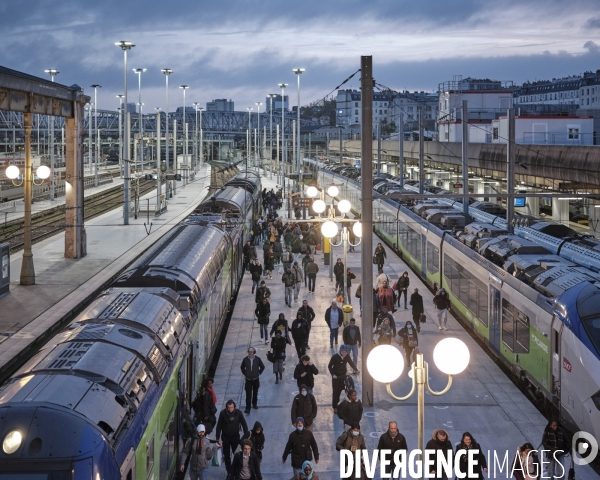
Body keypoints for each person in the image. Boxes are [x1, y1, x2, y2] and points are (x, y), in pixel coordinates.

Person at [216, 400, 249, 475]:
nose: (230, 409)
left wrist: (246, 436)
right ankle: (229, 472)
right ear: (226, 407)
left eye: (231, 407)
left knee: (237, 455)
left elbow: (244, 424)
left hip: (235, 438)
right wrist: (217, 438)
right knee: (227, 456)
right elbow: (219, 426)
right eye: (229, 407)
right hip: (225, 438)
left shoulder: (238, 413)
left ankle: (237, 471)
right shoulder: (222, 414)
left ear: (234, 407)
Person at [328, 345, 359, 412]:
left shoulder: (347, 356)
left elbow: (351, 363)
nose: (344, 353)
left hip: (343, 376)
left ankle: (350, 403)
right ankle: (335, 406)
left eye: (345, 352)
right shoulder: (335, 357)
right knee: (336, 392)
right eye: (342, 351)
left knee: (348, 389)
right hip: (336, 377)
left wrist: (356, 370)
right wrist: (333, 374)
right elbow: (330, 366)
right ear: (340, 351)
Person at [240, 347, 266, 414]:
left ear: (254, 352)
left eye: (251, 352)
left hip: (255, 379)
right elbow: (242, 367)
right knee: (248, 394)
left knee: (255, 392)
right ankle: (247, 408)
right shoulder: (245, 359)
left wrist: (258, 373)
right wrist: (245, 373)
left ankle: (254, 404)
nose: (250, 353)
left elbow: (262, 366)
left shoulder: (257, 359)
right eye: (249, 352)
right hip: (248, 379)